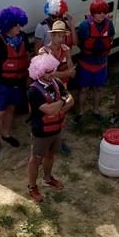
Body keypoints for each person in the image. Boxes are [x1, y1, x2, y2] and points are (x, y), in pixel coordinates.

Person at [26, 53, 73, 203]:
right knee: (35, 159)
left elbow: (71, 101)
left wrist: (60, 106)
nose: (52, 73)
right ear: (38, 71)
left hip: (56, 129)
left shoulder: (56, 82)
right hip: (41, 132)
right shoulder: (33, 91)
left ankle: (47, 178)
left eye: (53, 69)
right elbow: (50, 110)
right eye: (47, 71)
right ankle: (32, 186)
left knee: (51, 155)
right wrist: (63, 101)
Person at [0, 6, 30, 157]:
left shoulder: (23, 37)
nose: (19, 27)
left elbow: (28, 57)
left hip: (18, 83)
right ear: (8, 25)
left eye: (20, 24)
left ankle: (6, 134)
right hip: (2, 84)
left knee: (11, 108)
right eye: (16, 24)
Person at [74, 0, 115, 125]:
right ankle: (80, 112)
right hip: (86, 63)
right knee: (83, 89)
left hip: (101, 63)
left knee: (98, 89)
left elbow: (111, 37)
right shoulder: (85, 25)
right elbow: (78, 41)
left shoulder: (109, 24)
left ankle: (96, 111)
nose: (102, 15)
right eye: (98, 12)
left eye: (104, 12)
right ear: (93, 13)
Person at [39, 20, 76, 156]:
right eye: (59, 36)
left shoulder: (65, 50)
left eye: (63, 36)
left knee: (64, 110)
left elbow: (72, 71)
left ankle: (58, 140)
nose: (62, 39)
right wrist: (66, 73)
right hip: (48, 89)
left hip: (61, 86)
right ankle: (49, 141)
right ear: (52, 36)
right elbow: (48, 75)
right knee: (49, 115)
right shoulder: (43, 52)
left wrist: (67, 61)